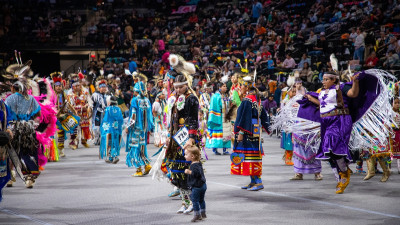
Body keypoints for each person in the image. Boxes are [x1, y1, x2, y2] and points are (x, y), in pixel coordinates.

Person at [305, 72, 360, 194]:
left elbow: (353, 93)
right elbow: (324, 104)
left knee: (333, 143)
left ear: (334, 80)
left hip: (339, 120)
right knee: (329, 150)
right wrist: (311, 98)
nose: (323, 82)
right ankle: (343, 171)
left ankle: (344, 173)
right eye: (323, 79)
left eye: (326, 79)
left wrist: (355, 82)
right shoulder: (322, 91)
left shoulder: (342, 87)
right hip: (326, 121)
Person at [165, 54, 198, 213]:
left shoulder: (192, 99)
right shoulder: (172, 98)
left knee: (187, 172)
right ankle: (185, 202)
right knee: (176, 173)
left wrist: (191, 139)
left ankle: (193, 202)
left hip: (186, 139)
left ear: (187, 85)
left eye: (181, 87)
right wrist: (168, 137)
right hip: (175, 138)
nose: (177, 90)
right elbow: (171, 120)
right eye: (176, 87)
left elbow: (193, 120)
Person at [231, 76, 270, 191]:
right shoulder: (256, 99)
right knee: (251, 155)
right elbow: (263, 115)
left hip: (247, 132)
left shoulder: (247, 100)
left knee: (251, 155)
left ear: (247, 86)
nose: (240, 88)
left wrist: (241, 132)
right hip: (255, 132)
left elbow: (244, 118)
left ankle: (258, 182)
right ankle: (253, 181)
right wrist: (267, 127)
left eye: (241, 86)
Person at [126, 81, 154, 176]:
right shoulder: (147, 100)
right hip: (144, 129)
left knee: (135, 148)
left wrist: (128, 126)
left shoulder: (135, 100)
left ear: (135, 90)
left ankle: (138, 170)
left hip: (136, 128)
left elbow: (133, 115)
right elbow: (150, 116)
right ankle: (147, 165)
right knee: (142, 147)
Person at [67, 74, 92, 150]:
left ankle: (84, 141)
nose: (78, 87)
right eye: (76, 86)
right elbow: (69, 105)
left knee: (85, 127)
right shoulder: (70, 94)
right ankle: (74, 143)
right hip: (75, 113)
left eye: (79, 85)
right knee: (75, 129)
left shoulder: (85, 92)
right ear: (73, 87)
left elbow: (89, 101)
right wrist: (78, 108)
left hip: (84, 113)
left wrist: (88, 105)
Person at [206, 82, 231, 155]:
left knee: (226, 133)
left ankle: (225, 149)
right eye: (224, 86)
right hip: (218, 117)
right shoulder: (215, 96)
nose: (225, 88)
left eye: (226, 86)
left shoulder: (225, 96)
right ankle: (215, 148)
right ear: (219, 87)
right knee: (217, 132)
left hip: (225, 117)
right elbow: (214, 107)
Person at [184, 145, 207, 222]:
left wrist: (189, 171)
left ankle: (197, 214)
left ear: (192, 156)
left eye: (186, 154)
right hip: (203, 185)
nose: (185, 156)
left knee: (195, 200)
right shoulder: (198, 163)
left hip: (197, 186)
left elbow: (197, 173)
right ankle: (203, 212)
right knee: (201, 200)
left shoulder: (194, 165)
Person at [100, 96, 124, 164]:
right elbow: (121, 120)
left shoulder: (108, 109)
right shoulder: (119, 109)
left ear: (110, 102)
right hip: (116, 128)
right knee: (115, 143)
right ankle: (113, 156)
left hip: (109, 128)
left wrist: (103, 127)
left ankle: (111, 157)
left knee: (109, 142)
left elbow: (106, 119)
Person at [92, 77, 109, 145]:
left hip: (105, 113)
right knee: (97, 127)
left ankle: (103, 138)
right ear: (99, 88)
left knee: (105, 126)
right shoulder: (95, 95)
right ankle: (96, 139)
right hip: (97, 113)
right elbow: (91, 104)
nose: (104, 88)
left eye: (105, 87)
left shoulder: (108, 95)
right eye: (102, 87)